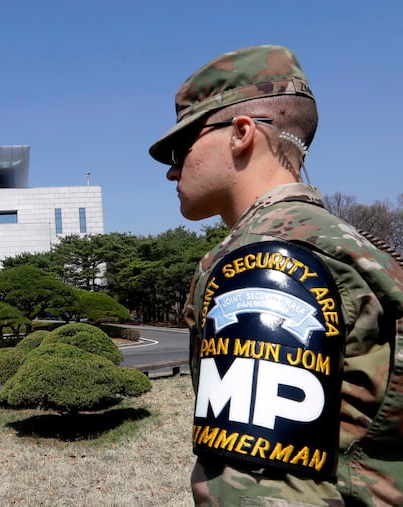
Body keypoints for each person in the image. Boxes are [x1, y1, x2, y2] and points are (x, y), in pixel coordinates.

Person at [149, 44, 403, 506]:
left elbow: (258, 492)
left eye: (181, 147)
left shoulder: (265, 262)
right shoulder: (350, 246)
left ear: (241, 133)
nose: (171, 171)